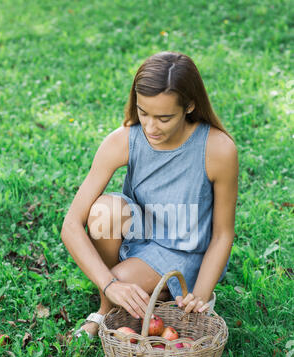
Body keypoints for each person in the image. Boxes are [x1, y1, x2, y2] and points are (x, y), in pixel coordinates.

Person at [61, 51, 238, 338]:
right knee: (105, 209)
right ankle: (108, 306)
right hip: (141, 239)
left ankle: (137, 296)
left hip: (184, 252)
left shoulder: (217, 149)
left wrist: (200, 295)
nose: (151, 127)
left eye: (164, 118)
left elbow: (222, 235)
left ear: (190, 106)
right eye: (143, 113)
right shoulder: (123, 140)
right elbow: (70, 225)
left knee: (122, 280)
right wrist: (109, 285)